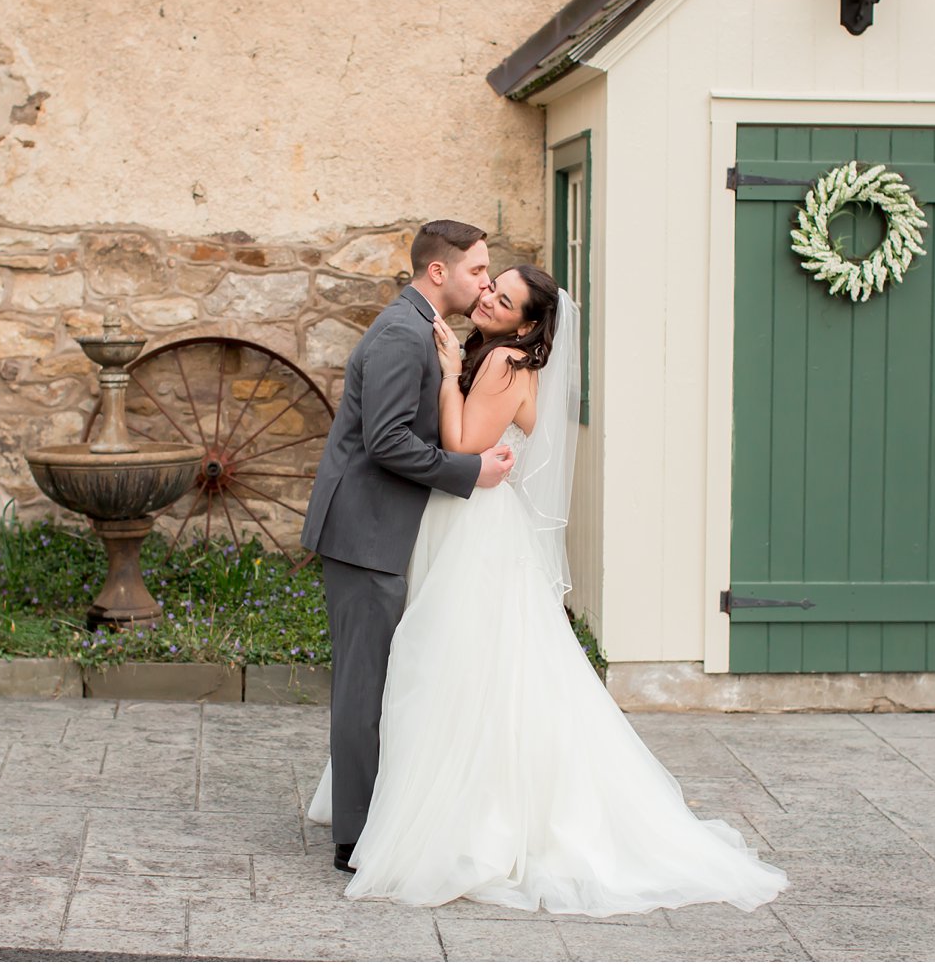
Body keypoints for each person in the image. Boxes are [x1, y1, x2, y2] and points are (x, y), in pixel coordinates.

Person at [308, 266, 789, 916]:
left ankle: (466, 817)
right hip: (458, 521)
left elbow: (465, 445)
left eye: (502, 298)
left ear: (527, 325)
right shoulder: (494, 349)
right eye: (488, 285)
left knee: (452, 666)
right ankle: (416, 801)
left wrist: (450, 372)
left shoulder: (504, 361)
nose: (486, 297)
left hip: (475, 529)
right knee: (451, 667)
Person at [300, 220, 518, 875]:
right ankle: (355, 839)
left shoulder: (421, 326)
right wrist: (469, 472)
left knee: (381, 682)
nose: (484, 281)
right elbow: (388, 441)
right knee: (363, 688)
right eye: (478, 270)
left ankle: (370, 819)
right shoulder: (401, 334)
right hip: (365, 532)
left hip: (379, 529)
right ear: (437, 272)